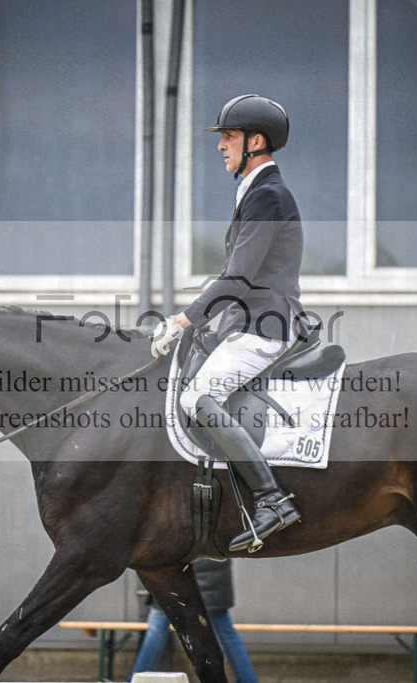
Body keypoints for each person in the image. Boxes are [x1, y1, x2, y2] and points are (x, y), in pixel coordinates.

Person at [152, 94, 305, 552]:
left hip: (265, 327)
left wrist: (182, 318)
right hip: (249, 320)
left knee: (198, 395)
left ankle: (272, 498)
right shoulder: (256, 192)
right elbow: (236, 273)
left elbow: (237, 278)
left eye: (229, 137)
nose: (221, 146)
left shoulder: (268, 196)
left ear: (256, 142)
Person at [130, 560, 257, 682]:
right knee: (226, 632)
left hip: (175, 577)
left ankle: (135, 678)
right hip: (214, 580)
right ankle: (248, 680)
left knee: (156, 629)